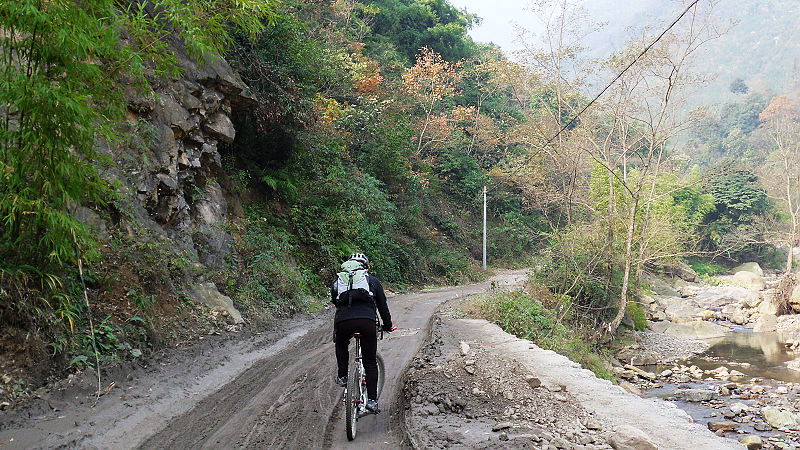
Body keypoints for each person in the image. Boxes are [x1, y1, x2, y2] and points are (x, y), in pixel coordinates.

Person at [332, 253, 393, 413]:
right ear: (365, 267)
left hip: (343, 321)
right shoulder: (372, 281)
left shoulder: (339, 280)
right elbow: (383, 306)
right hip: (367, 322)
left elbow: (335, 301)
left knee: (341, 343)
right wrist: (388, 325)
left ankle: (343, 375)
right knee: (370, 361)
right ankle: (372, 401)